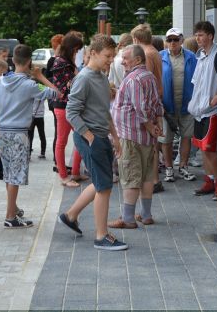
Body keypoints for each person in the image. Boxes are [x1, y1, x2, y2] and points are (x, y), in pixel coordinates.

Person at [58, 34, 127, 251]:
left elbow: (104, 112)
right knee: (104, 187)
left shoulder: (101, 77)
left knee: (100, 182)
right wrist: (90, 137)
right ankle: (101, 236)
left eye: (113, 56)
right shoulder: (84, 78)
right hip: (90, 138)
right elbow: (71, 112)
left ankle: (70, 216)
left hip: (100, 136)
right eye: (108, 56)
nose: (111, 60)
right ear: (94, 53)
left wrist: (115, 138)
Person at [0, 44, 59, 228]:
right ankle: (10, 217)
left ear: (13, 60)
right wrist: (40, 76)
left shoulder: (1, 81)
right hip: (19, 134)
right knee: (15, 177)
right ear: (29, 61)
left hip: (3, 132)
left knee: (9, 174)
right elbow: (56, 93)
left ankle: (13, 209)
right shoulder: (30, 85)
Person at [108, 45, 163, 229]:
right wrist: (158, 123)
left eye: (125, 58)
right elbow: (156, 102)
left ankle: (128, 219)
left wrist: (150, 126)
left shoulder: (133, 79)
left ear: (138, 60)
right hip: (145, 138)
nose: (122, 62)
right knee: (147, 176)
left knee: (130, 176)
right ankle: (146, 215)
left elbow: (140, 108)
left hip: (131, 136)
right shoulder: (149, 76)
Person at [188, 21, 217, 201]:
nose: (197, 38)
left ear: (210, 36)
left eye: (201, 35)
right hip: (199, 111)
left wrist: (213, 101)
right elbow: (196, 83)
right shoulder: (201, 56)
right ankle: (210, 181)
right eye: (196, 35)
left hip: (213, 111)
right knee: (202, 148)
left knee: (209, 149)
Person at [159, 28, 197, 182]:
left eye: (175, 39)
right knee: (166, 139)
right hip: (167, 106)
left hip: (187, 104)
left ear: (182, 40)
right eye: (170, 40)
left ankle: (183, 167)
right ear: (166, 42)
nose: (172, 43)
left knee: (186, 137)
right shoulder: (159, 57)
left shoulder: (191, 57)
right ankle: (169, 168)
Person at [130, 24, 164, 194]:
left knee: (151, 143)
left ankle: (154, 180)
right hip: (155, 98)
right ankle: (153, 179)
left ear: (136, 39)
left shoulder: (146, 54)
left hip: (149, 102)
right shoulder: (154, 51)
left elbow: (145, 79)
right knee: (153, 142)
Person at [51, 32, 85, 186]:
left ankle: (75, 173)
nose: (77, 53)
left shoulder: (66, 61)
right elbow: (71, 83)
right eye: (76, 49)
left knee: (80, 137)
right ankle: (64, 177)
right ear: (71, 47)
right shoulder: (61, 62)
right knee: (62, 142)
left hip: (69, 106)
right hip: (64, 106)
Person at [45, 34, 64, 169]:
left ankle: (57, 159)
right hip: (56, 99)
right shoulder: (53, 61)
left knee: (59, 131)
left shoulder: (59, 60)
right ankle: (57, 160)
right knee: (59, 131)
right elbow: (47, 81)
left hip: (57, 99)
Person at [29, 95, 47, 160]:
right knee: (42, 135)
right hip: (40, 116)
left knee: (30, 136)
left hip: (32, 117)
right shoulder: (42, 92)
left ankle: (28, 154)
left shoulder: (32, 91)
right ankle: (43, 153)